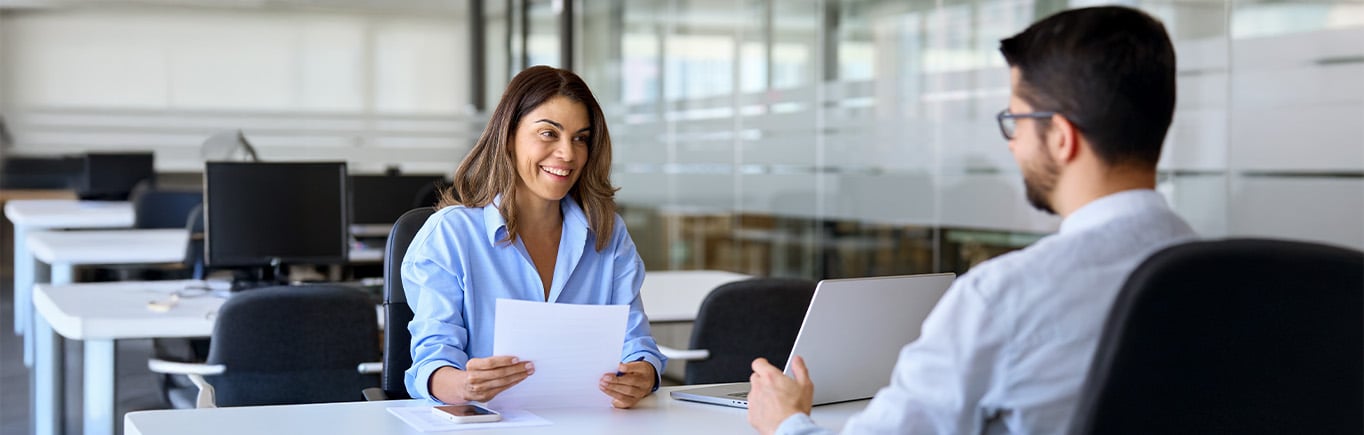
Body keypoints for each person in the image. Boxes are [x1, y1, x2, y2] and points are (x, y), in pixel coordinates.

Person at [747, 6, 1198, 434]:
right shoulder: (1232, 277)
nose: (1012, 145)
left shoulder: (1007, 295)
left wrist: (785, 420)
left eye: (1016, 121)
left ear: (1061, 138)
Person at [403, 65, 666, 409]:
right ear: (508, 137)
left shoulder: (608, 234)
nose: (568, 154)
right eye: (548, 133)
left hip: (588, 421)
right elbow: (431, 363)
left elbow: (636, 345)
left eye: (580, 138)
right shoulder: (452, 234)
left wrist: (643, 375)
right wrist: (466, 385)